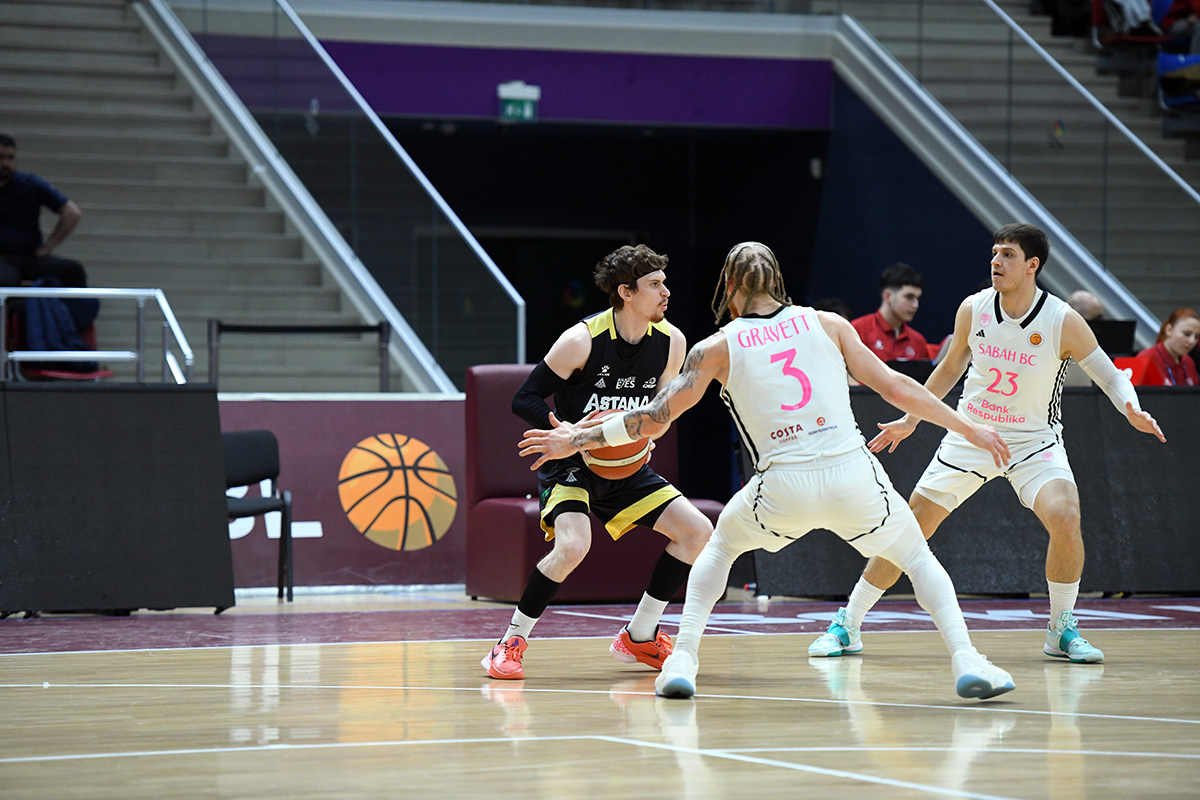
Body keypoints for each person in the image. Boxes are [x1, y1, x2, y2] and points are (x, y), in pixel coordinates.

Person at [521, 241, 1018, 701]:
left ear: (729, 286)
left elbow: (653, 420)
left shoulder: (714, 347)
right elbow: (895, 386)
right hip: (852, 475)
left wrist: (576, 438)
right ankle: (965, 658)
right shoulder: (829, 324)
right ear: (777, 281)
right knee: (916, 556)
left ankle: (683, 661)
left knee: (719, 547)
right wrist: (969, 427)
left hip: (782, 488)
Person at [809, 223, 1166, 666]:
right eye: (995, 253)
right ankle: (848, 623)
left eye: (1008, 255)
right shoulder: (973, 308)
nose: (996, 261)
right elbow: (948, 369)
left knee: (1065, 516)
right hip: (971, 434)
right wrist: (911, 419)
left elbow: (1109, 374)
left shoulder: (1062, 320)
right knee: (909, 527)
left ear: (1032, 265)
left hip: (1034, 441)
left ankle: (1061, 629)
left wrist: (1131, 407)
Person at [481, 244, 713, 680]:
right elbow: (524, 398)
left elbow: (662, 416)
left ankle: (639, 635)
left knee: (697, 532)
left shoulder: (673, 342)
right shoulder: (581, 340)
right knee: (573, 546)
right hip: (574, 463)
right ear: (626, 292)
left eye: (665, 283)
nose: (666, 292)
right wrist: (565, 432)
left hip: (627, 464)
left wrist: (640, 436)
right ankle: (509, 642)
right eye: (655, 284)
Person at [0, 134, 87, 288]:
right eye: (1, 158)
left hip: (31, 257)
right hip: (2, 260)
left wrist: (49, 246)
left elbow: (72, 212)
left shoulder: (29, 184)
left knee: (73, 271)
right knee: (5, 280)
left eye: (10, 158)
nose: (6, 163)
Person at [851, 262, 928, 362]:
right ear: (887, 296)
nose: (915, 305)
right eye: (909, 297)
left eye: (918, 298)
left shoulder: (918, 341)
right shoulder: (857, 330)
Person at [1137, 307, 1199, 386]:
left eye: (1196, 337)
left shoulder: (1188, 362)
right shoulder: (1146, 358)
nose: (1192, 341)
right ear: (1169, 330)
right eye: (1187, 334)